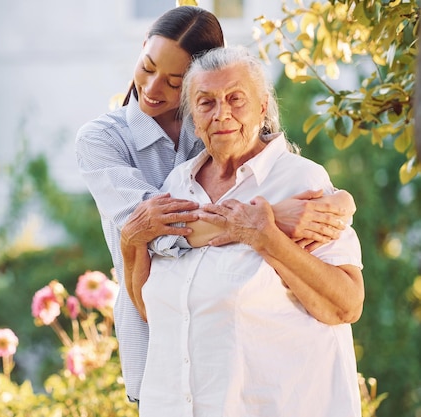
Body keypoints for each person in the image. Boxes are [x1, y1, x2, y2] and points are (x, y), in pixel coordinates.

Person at [75, 5, 355, 405]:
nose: (154, 89)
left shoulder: (214, 123)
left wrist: (342, 203)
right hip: (153, 330)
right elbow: (155, 233)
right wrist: (268, 219)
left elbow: (285, 168)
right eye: (147, 67)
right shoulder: (105, 140)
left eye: (174, 82)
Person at [134, 45, 364, 416]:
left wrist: (266, 237)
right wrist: (133, 239)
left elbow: (346, 303)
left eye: (235, 99)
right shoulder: (176, 185)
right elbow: (153, 307)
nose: (221, 112)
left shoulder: (300, 180)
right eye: (206, 102)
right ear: (193, 114)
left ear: (262, 107)